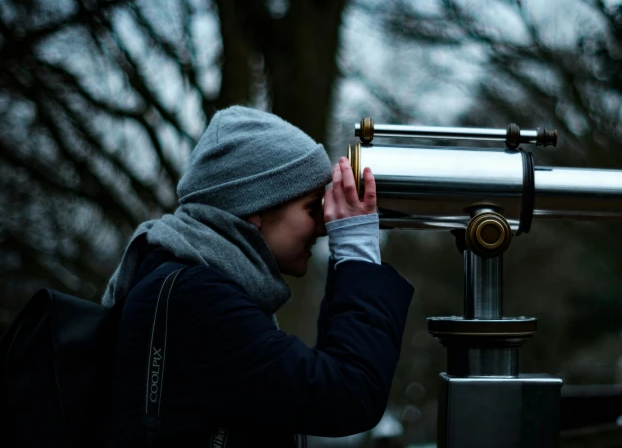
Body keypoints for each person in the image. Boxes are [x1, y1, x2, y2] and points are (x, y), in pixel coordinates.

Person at [101, 106, 414, 448]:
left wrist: (348, 263)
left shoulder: (191, 285)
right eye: (312, 207)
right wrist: (357, 255)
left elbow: (319, 378)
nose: (324, 226)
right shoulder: (197, 298)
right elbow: (347, 394)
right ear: (256, 209)